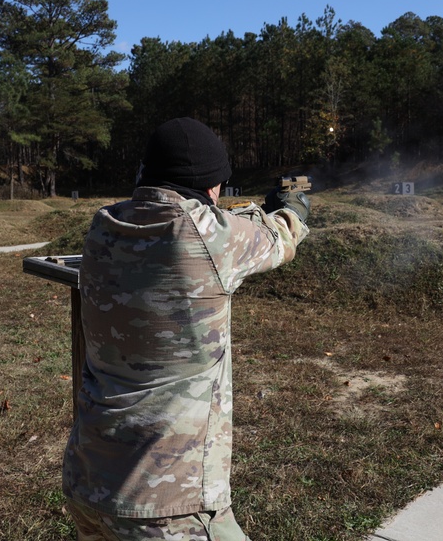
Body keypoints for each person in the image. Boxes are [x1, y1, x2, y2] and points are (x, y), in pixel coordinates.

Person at [63, 117, 309, 540]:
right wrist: (294, 207)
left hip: (90, 478)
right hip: (169, 506)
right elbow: (280, 236)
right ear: (212, 187)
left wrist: (247, 212)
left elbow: (200, 220)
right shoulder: (209, 236)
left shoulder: (102, 228)